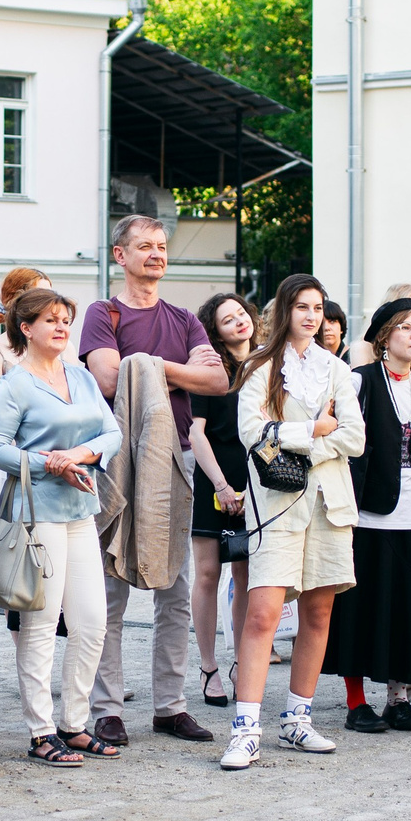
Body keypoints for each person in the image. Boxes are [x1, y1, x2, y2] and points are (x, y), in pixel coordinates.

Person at [78, 215, 226, 746]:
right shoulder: (104, 312)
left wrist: (150, 364)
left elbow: (217, 378)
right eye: (145, 246)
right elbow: (109, 377)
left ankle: (171, 707)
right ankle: (108, 709)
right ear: (121, 255)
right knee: (111, 585)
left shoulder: (185, 317)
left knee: (175, 589)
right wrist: (177, 368)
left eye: (162, 246)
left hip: (176, 458)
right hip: (118, 459)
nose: (157, 254)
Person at [225, 274, 363, 770]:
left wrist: (298, 440)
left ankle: (297, 720)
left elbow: (355, 438)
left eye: (318, 308)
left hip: (330, 504)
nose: (311, 316)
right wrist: (313, 428)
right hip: (277, 501)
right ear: (284, 310)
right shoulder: (261, 364)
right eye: (302, 306)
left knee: (319, 614)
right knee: (262, 613)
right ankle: (245, 730)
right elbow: (249, 432)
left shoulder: (335, 368)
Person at [0, 287, 121, 764]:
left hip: (81, 512)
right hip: (36, 515)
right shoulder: (16, 384)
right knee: (41, 624)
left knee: (92, 624)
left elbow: (112, 432)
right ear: (26, 328)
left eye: (66, 320)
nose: (61, 327)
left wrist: (79, 455)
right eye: (50, 320)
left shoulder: (80, 376)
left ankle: (74, 725)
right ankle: (41, 732)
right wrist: (48, 463)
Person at [325, 297, 411, 731]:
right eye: (406, 327)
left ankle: (398, 697)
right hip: (368, 508)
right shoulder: (361, 380)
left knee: (404, 605)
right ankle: (356, 702)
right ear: (385, 336)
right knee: (361, 604)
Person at [189, 292, 258, 710]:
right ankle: (209, 666)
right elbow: (196, 434)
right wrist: (220, 485)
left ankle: (241, 663)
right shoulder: (210, 371)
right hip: (213, 481)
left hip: (258, 486)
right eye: (227, 319)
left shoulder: (268, 367)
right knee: (208, 574)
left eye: (242, 314)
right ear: (215, 330)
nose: (239, 322)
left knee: (247, 577)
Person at [0, 267, 50, 597]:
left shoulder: (61, 344)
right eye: (40, 295)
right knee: (15, 563)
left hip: (54, 459)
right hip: (14, 463)